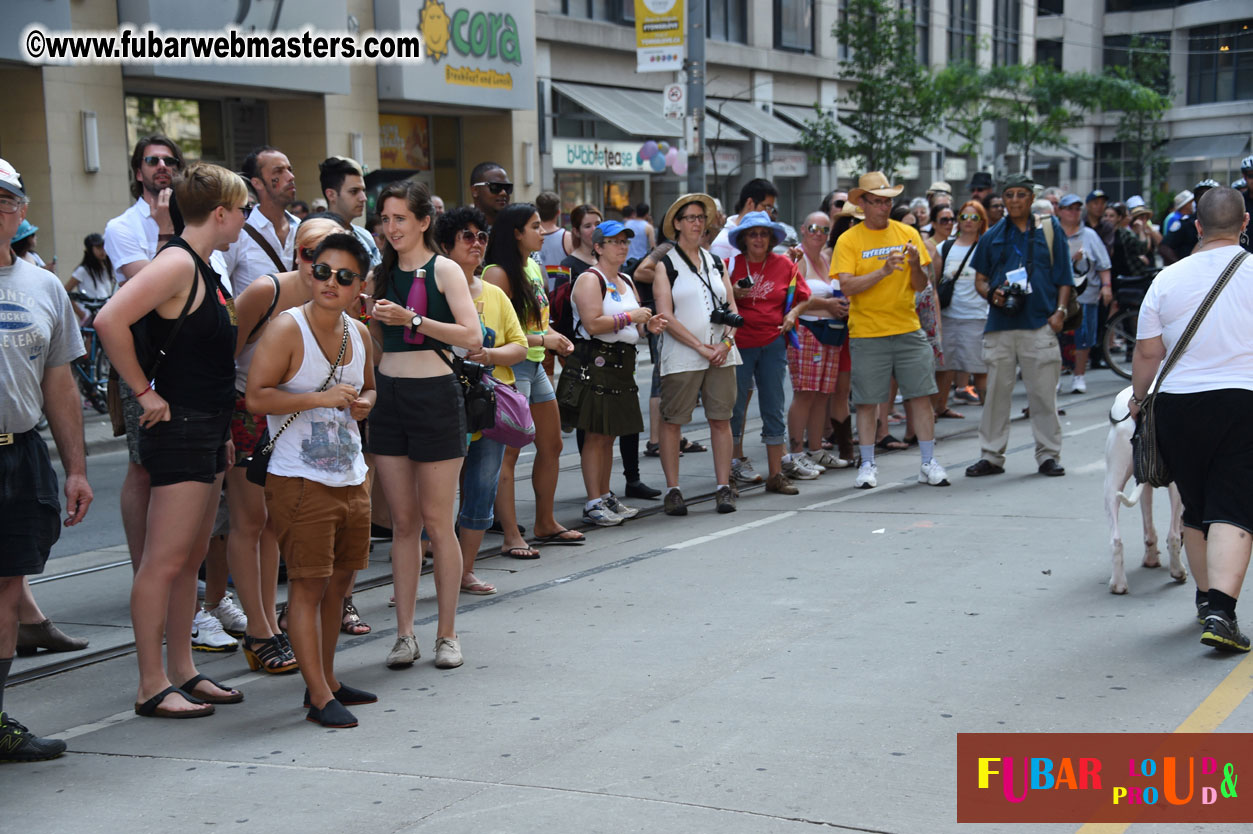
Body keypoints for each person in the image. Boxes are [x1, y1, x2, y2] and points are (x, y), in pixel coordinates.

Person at [95, 161, 248, 718]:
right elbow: (109, 320)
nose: (244, 219)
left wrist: (224, 431)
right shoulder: (178, 263)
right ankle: (150, 683)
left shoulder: (204, 266)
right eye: (242, 209)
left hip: (206, 424)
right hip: (179, 423)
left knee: (187, 561)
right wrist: (143, 392)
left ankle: (182, 669)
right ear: (221, 212)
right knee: (163, 561)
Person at [247, 232, 377, 727]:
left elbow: (369, 390)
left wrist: (365, 403)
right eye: (321, 270)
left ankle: (328, 680)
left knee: (340, 583)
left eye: (343, 276)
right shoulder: (287, 329)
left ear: (358, 286)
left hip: (351, 474)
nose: (329, 282)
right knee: (307, 585)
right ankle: (319, 694)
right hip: (299, 477)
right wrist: (317, 399)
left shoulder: (358, 334)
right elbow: (256, 397)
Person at [1130, 186, 1253, 653]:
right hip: (1244, 400)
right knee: (1235, 505)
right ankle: (1222, 610)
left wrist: (1139, 400)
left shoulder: (1167, 278)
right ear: (1244, 224)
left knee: (1196, 507)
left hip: (1179, 405)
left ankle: (1206, 602)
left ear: (1198, 227)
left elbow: (1148, 352)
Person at [366, 179, 482, 670]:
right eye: (385, 219)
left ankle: (448, 634)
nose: (391, 227)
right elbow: (374, 342)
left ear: (422, 221)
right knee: (403, 524)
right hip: (389, 397)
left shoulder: (445, 269)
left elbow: (471, 336)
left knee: (438, 522)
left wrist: (413, 320)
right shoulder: (379, 274)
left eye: (399, 218)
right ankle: (405, 634)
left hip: (436, 395)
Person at [0, 157, 93, 760]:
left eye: (7, 199)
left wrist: (77, 467)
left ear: (22, 210)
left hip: (18, 455)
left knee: (8, 586)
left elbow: (59, 384)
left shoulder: (43, 286)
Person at [228, 217, 345, 670]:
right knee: (248, 520)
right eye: (308, 253)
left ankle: (272, 625)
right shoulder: (266, 291)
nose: (318, 265)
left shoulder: (337, 295)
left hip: (300, 415)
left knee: (277, 522)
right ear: (295, 254)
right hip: (250, 409)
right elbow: (225, 354)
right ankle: (258, 631)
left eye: (330, 255)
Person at [834, 172, 948, 490]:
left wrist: (913, 265)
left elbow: (922, 286)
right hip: (867, 331)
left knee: (921, 397)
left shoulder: (907, 232)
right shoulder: (849, 240)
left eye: (888, 201)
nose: (884, 207)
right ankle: (868, 464)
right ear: (863, 204)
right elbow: (847, 286)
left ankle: (928, 462)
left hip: (907, 327)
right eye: (878, 201)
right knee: (869, 402)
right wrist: (883, 270)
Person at [435, 207, 527, 593]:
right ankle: (418, 576)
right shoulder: (431, 292)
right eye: (467, 236)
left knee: (481, 490)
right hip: (439, 403)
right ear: (445, 246)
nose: (477, 244)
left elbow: (520, 347)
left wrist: (489, 356)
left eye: (482, 236)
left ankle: (465, 571)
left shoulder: (494, 294)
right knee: (434, 497)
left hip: (487, 406)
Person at [484, 204, 582, 555]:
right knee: (508, 454)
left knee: (552, 444)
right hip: (511, 369)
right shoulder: (497, 274)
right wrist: (546, 340)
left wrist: (556, 337)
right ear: (516, 232)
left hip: (536, 364)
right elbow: (494, 336)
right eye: (535, 226)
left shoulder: (532, 266)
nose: (544, 232)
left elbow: (537, 323)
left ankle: (545, 521)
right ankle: (511, 535)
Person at [965, 173, 1072, 479]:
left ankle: (1049, 455)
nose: (1013, 200)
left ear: (1030, 198)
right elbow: (980, 280)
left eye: (1020, 195)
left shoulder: (1050, 231)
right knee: (996, 396)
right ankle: (991, 456)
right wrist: (992, 294)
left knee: (1042, 396)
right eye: (1008, 195)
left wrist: (1060, 312)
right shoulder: (991, 236)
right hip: (1000, 326)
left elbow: (1064, 277)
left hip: (1039, 322)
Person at [559, 221, 667, 524]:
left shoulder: (625, 279)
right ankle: (593, 501)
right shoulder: (589, 279)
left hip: (622, 362)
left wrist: (647, 326)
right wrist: (631, 316)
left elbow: (634, 325)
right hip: (596, 362)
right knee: (595, 435)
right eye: (615, 241)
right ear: (598, 247)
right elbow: (593, 324)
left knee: (608, 435)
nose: (623, 246)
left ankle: (605, 495)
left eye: (625, 241)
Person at [651, 193, 741, 516]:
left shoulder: (715, 261)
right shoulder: (666, 265)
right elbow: (666, 316)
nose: (697, 223)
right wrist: (701, 347)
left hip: (721, 352)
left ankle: (722, 487)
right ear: (676, 224)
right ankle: (674, 489)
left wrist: (725, 343)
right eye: (690, 218)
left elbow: (731, 306)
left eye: (701, 218)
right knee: (673, 420)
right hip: (684, 355)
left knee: (721, 417)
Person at [726, 211, 812, 494]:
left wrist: (792, 316)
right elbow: (719, 303)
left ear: (771, 238)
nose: (759, 239)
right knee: (734, 408)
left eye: (764, 234)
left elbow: (803, 298)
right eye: (753, 234)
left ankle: (776, 474)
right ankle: (728, 471)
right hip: (739, 343)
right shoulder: (730, 265)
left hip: (773, 342)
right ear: (743, 239)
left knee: (773, 406)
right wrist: (734, 294)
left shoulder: (784, 264)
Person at [785, 210, 851, 476]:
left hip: (831, 331)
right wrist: (828, 304)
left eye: (824, 230)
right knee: (805, 392)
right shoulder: (798, 258)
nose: (818, 234)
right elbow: (792, 297)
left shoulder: (826, 258)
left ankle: (815, 449)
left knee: (823, 393)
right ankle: (796, 452)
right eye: (813, 228)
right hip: (807, 330)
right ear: (803, 229)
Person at [935, 201, 989, 414]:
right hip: (948, 315)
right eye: (964, 217)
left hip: (977, 315)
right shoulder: (945, 247)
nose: (968, 222)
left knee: (981, 368)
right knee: (944, 366)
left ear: (981, 221)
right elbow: (934, 282)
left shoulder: (987, 247)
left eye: (974, 217)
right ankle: (939, 408)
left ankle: (990, 413)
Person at [222, 146, 299, 295]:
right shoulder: (239, 231)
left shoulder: (301, 228)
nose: (290, 176)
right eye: (279, 171)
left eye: (290, 169)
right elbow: (221, 287)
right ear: (257, 183)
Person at [1056, 193, 1111, 394]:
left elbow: (1104, 265)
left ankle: (1079, 376)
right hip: (1056, 294)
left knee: (1084, 336)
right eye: (1069, 208)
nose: (1073, 212)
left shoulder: (1089, 235)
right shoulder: (1053, 233)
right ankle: (1056, 376)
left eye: (1077, 209)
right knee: (1056, 336)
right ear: (1060, 211)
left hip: (1085, 293)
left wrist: (1107, 286)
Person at [319, 156, 381, 268]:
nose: (363, 198)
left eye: (363, 190)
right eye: (354, 191)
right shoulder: (316, 238)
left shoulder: (365, 236)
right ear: (331, 195)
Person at [710, 179, 779, 261]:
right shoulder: (723, 243)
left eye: (771, 209)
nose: (769, 214)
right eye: (767, 207)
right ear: (750, 203)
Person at [1162, 180, 1219, 265]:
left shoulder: (1226, 223)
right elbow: (1164, 247)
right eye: (1201, 194)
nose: (1205, 198)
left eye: (1210, 194)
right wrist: (1179, 265)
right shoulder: (1185, 223)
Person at [66, 233, 114, 321]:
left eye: (104, 247)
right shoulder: (82, 270)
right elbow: (65, 292)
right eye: (98, 247)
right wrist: (82, 315)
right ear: (89, 250)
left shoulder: (106, 268)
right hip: (90, 315)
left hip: (106, 313)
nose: (102, 251)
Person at [536, 191, 572, 290]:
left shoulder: (528, 237)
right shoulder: (568, 238)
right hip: (560, 298)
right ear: (558, 212)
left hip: (538, 298)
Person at [560, 204, 602, 282]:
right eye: (588, 226)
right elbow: (560, 293)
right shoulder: (567, 265)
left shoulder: (607, 257)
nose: (595, 229)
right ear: (577, 232)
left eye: (598, 224)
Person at [469, 161, 512, 229]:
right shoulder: (461, 231)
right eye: (495, 187)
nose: (503, 193)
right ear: (475, 190)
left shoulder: (516, 230)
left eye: (507, 187)